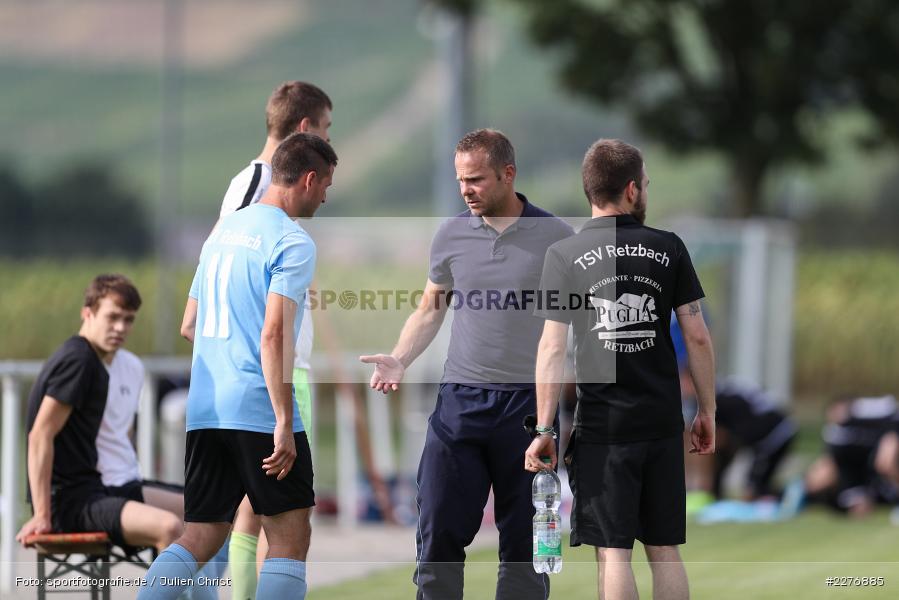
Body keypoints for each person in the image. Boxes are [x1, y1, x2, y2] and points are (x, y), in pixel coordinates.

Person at [361, 129, 573, 600]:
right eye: (461, 180)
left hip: (527, 410)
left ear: (508, 174)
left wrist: (547, 422)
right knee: (437, 539)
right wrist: (400, 358)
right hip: (460, 403)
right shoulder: (451, 233)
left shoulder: (557, 238)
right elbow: (430, 309)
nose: (466, 190)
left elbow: (562, 336)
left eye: (476, 179)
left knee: (524, 553)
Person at [138, 132, 337, 600]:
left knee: (201, 536)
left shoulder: (221, 232)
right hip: (257, 408)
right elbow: (274, 335)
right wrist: (284, 421)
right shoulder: (293, 240)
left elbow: (190, 324)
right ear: (309, 179)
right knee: (289, 537)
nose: (327, 196)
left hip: (206, 408)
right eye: (327, 185)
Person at [525, 139, 716, 600]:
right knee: (664, 548)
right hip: (661, 422)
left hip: (604, 428)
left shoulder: (564, 255)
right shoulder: (669, 247)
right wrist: (707, 410)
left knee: (613, 552)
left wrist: (546, 427)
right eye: (646, 183)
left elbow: (553, 347)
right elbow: (697, 336)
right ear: (632, 190)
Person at [210, 80, 332, 600]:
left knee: (247, 515)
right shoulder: (256, 186)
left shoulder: (249, 180)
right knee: (279, 520)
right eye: (326, 127)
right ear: (304, 129)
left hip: (256, 367)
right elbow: (232, 274)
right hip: (268, 371)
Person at [16, 275, 183, 554]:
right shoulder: (78, 359)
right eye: (112, 317)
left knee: (208, 517)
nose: (120, 327)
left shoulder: (103, 363)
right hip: (71, 501)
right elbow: (39, 436)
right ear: (87, 313)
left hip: (103, 490)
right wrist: (42, 514)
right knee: (169, 527)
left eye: (128, 320)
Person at [799, 394, 899, 516]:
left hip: (891, 441)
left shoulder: (857, 410)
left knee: (885, 461)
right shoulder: (845, 474)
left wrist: (892, 436)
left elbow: (892, 410)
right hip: (880, 461)